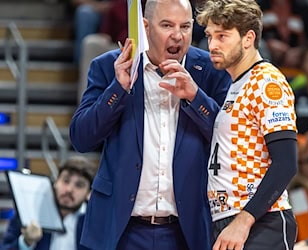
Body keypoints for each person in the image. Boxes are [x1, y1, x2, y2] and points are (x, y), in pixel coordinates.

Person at [69, 0, 231, 249]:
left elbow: (231, 141)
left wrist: (195, 96)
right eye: (167, 25)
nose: (177, 36)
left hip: (186, 232)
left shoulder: (211, 71)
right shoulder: (109, 66)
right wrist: (118, 89)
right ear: (145, 27)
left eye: (185, 26)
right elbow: (81, 138)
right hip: (120, 230)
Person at [196, 0, 298, 249]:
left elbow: (286, 163)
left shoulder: (267, 82)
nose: (213, 45)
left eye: (222, 36)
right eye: (210, 36)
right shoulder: (238, 83)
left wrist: (244, 220)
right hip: (228, 218)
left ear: (248, 38)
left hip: (260, 221)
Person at [2, 156, 97, 250]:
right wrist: (26, 242)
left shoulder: (95, 223)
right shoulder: (29, 212)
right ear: (56, 182)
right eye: (66, 181)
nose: (69, 189)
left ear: (89, 193)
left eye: (79, 185)